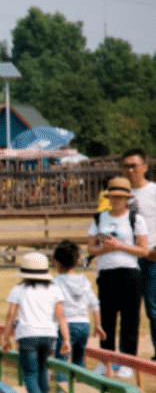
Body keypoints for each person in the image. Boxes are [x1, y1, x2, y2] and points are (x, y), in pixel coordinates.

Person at [1, 252, 70, 393]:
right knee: (42, 369)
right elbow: (61, 315)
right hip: (49, 335)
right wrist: (67, 339)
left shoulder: (18, 289)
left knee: (30, 373)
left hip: (27, 335)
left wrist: (6, 338)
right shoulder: (54, 288)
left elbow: (10, 315)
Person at [87, 176, 148, 379]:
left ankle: (128, 362)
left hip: (130, 273)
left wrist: (119, 246)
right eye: (113, 196)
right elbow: (90, 247)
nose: (116, 200)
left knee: (130, 319)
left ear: (127, 199)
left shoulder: (135, 219)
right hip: (106, 273)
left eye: (121, 197)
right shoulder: (99, 218)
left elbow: (143, 250)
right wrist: (104, 249)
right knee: (107, 320)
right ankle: (106, 361)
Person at [52, 240, 106, 393]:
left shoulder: (56, 282)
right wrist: (98, 325)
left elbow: (54, 305)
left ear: (56, 263)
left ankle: (62, 391)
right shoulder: (84, 281)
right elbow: (94, 303)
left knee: (61, 360)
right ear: (77, 261)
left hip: (66, 326)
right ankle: (81, 390)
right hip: (84, 325)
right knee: (79, 358)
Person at [121, 149, 156, 360]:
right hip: (129, 259)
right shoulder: (120, 194)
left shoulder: (153, 191)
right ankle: (127, 356)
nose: (130, 170)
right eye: (126, 165)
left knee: (153, 308)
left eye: (134, 165)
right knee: (128, 309)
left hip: (152, 258)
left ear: (145, 167)